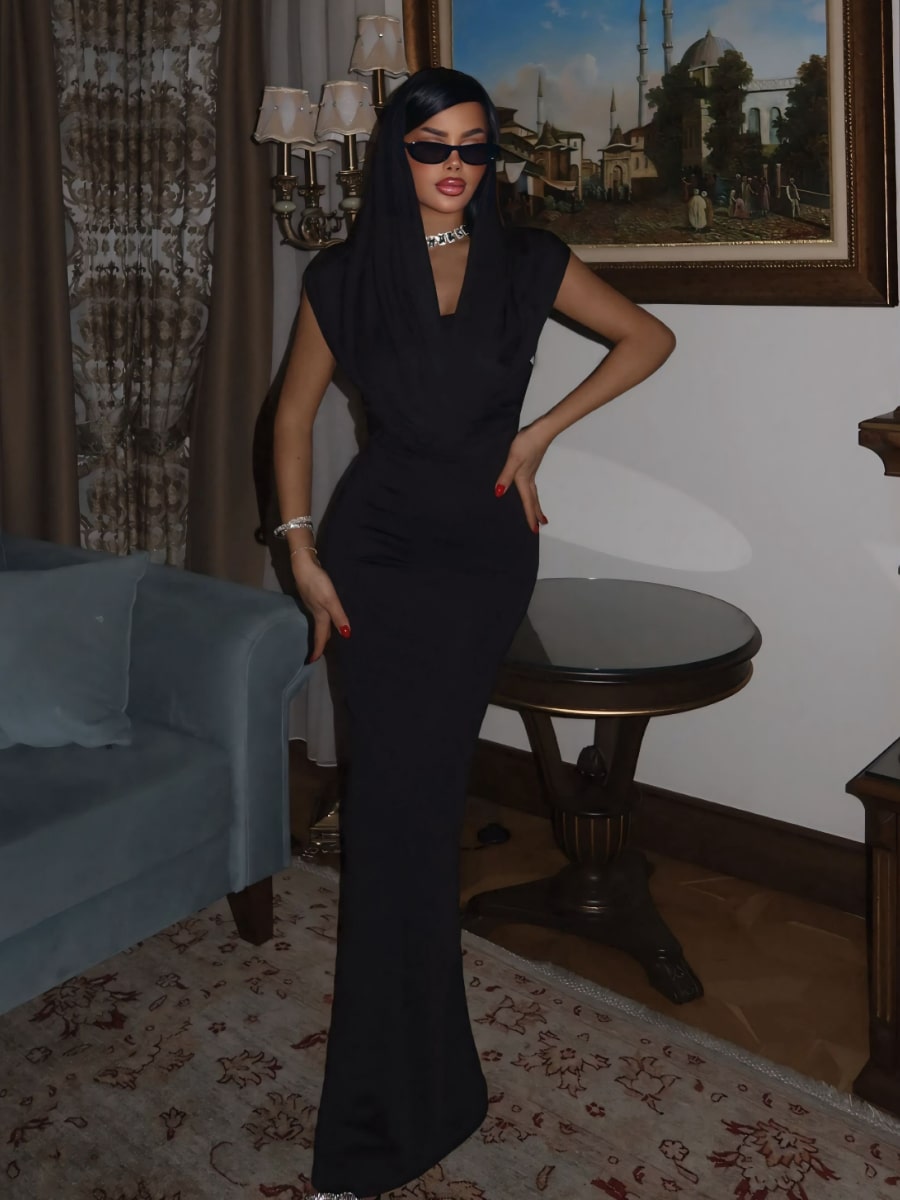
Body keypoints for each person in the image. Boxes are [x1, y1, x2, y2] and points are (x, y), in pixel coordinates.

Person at [273, 67, 675, 1200]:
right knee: (392, 817)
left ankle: (414, 1091)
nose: (455, 166)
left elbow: (647, 340)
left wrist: (539, 435)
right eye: (431, 146)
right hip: (373, 554)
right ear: (394, 154)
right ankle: (396, 1101)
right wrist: (300, 551)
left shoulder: (530, 259)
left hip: (482, 559)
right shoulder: (342, 276)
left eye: (474, 146)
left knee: (415, 808)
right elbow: (292, 415)